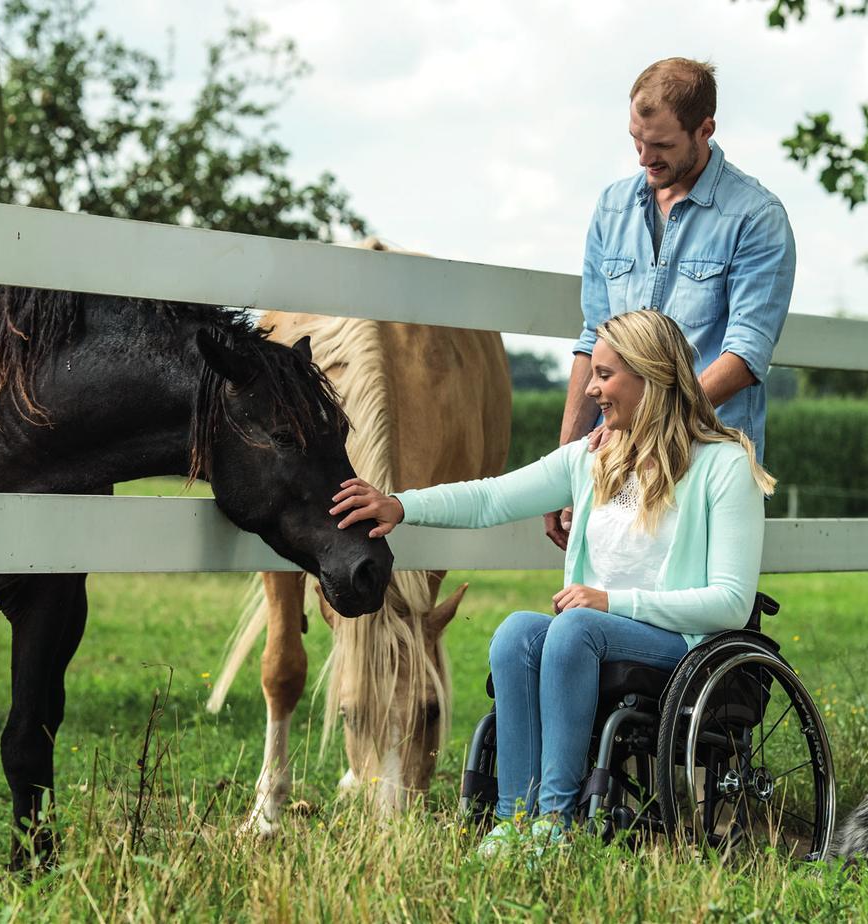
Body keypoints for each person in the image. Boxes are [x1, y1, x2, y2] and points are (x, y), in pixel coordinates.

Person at [329, 309, 775, 857]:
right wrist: (399, 504)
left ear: (651, 376)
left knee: (574, 628)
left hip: (683, 646)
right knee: (517, 632)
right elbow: (491, 497)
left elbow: (731, 604)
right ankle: (515, 819)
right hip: (592, 632)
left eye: (606, 375)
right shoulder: (593, 460)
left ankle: (556, 821)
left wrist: (610, 602)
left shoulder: (724, 466)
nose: (592, 388)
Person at [545, 57, 795, 551]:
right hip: (612, 463)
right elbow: (592, 340)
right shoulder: (612, 208)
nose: (644, 157)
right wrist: (566, 461)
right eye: (636, 140)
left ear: (706, 130)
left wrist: (647, 428)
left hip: (704, 464)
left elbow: (744, 356)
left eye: (661, 145)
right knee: (593, 607)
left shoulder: (757, 218)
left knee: (696, 619)